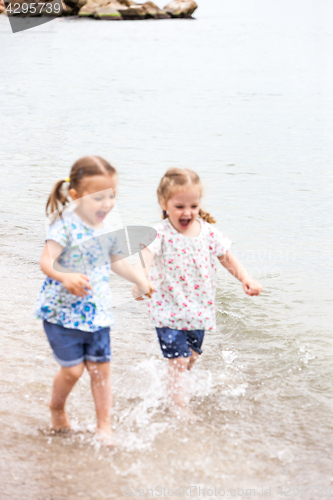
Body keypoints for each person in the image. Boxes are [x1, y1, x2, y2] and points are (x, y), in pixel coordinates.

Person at [35, 156, 151, 444]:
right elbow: (46, 261)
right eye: (98, 198)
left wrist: (139, 279)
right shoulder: (64, 225)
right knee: (73, 370)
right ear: (75, 196)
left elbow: (115, 261)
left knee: (101, 372)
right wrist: (66, 277)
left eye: (111, 196)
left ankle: (104, 427)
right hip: (62, 315)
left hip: (98, 314)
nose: (107, 204)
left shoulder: (106, 227)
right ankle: (57, 407)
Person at [132, 168, 262, 420]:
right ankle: (179, 408)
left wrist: (245, 278)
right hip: (168, 312)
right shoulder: (159, 234)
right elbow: (143, 262)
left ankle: (170, 384)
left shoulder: (208, 233)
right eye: (179, 206)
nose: (187, 212)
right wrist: (140, 283)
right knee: (179, 361)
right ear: (164, 203)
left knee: (191, 357)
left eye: (193, 205)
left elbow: (227, 258)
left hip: (198, 312)